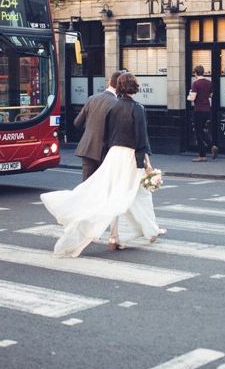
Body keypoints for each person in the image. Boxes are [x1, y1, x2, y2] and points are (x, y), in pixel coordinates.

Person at [41, 72, 166, 258]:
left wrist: (109, 155)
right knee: (134, 195)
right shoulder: (137, 108)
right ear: (134, 87)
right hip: (130, 155)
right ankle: (133, 233)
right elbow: (141, 138)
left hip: (114, 154)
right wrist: (145, 163)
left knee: (119, 194)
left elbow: (106, 135)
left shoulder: (114, 107)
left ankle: (128, 233)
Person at [73, 70, 123, 181]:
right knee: (102, 188)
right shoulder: (118, 104)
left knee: (86, 186)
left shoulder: (92, 98)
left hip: (87, 148)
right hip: (105, 152)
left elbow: (77, 123)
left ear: (110, 81)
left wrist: (90, 128)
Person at [190, 64, 218, 162]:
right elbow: (211, 95)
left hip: (198, 110)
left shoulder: (196, 83)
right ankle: (212, 146)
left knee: (198, 133)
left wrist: (188, 97)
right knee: (201, 131)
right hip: (207, 110)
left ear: (196, 73)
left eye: (194, 73)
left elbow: (192, 98)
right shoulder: (209, 83)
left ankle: (202, 156)